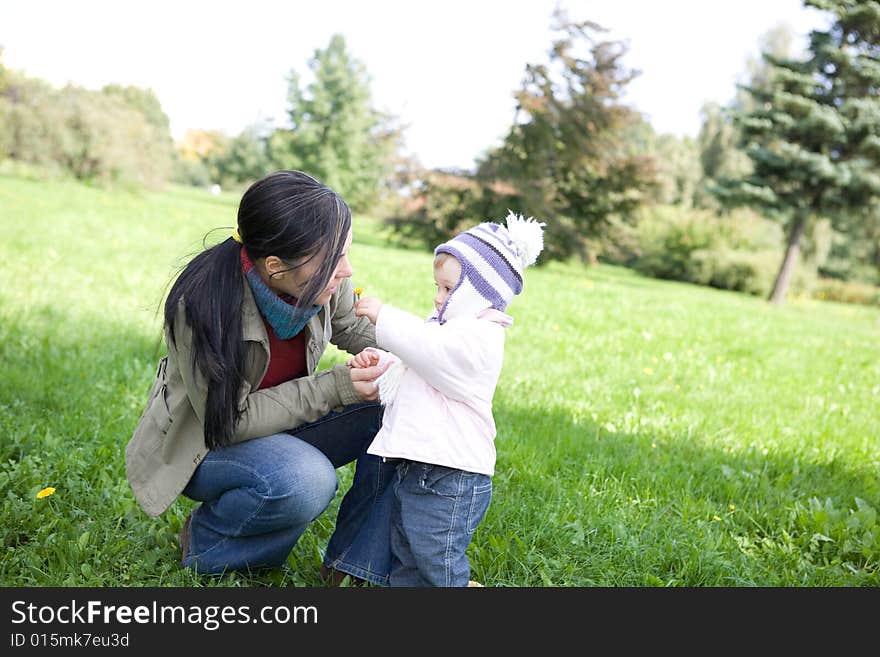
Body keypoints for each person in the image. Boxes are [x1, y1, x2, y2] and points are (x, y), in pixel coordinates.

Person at [125, 169, 395, 584]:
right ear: (274, 266)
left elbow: (353, 327)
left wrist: (425, 353)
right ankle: (209, 545)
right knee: (305, 480)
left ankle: (352, 562)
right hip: (206, 445)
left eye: (347, 252)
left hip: (279, 426)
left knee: (396, 403)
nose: (347, 269)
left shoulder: (324, 278)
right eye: (334, 259)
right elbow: (228, 422)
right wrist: (337, 386)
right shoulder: (203, 308)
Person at [349, 211, 545, 586]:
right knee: (407, 554)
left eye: (448, 289)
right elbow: (418, 365)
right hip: (422, 467)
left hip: (452, 477)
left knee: (435, 559)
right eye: (437, 286)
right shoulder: (446, 331)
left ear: (478, 292)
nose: (438, 298)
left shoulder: (480, 338)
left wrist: (384, 318)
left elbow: (433, 353)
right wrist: (382, 362)